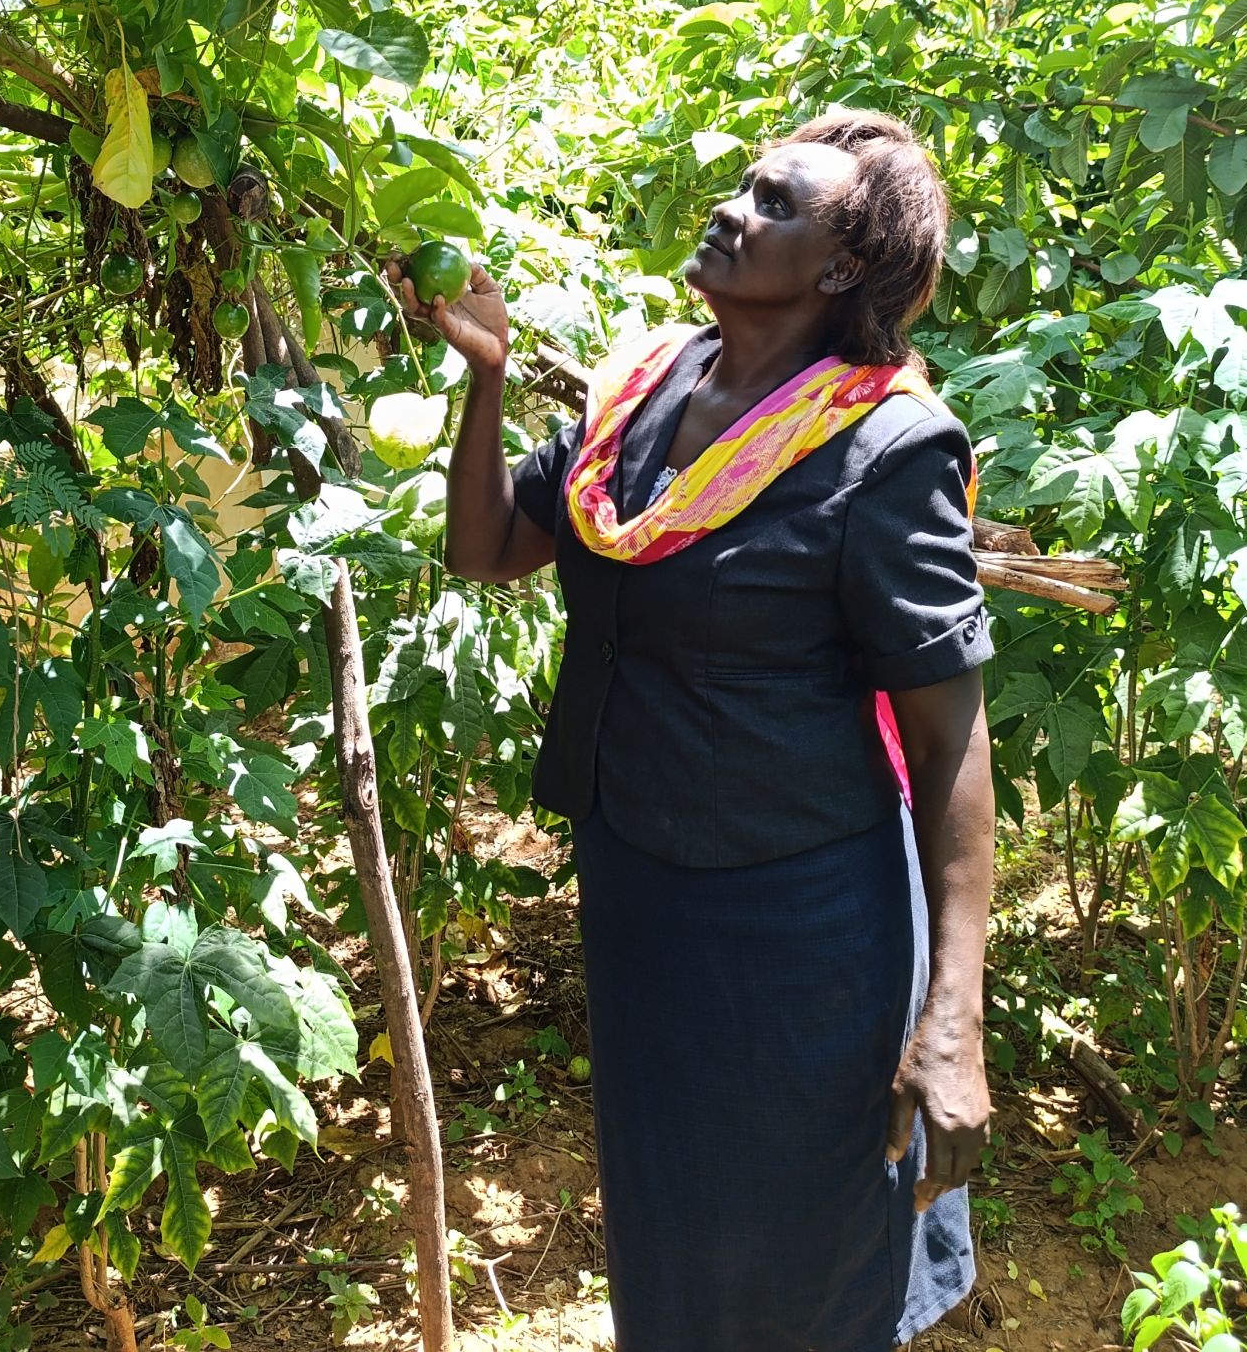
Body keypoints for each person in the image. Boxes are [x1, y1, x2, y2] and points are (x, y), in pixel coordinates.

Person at [394, 109, 995, 1350]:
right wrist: (487, 378)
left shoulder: (883, 446)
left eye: (774, 202)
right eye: (742, 185)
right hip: (646, 891)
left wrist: (952, 1022)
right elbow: (486, 546)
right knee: (675, 1218)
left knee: (809, 1241)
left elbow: (951, 742)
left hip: (801, 922)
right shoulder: (648, 389)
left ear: (840, 270)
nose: (732, 207)